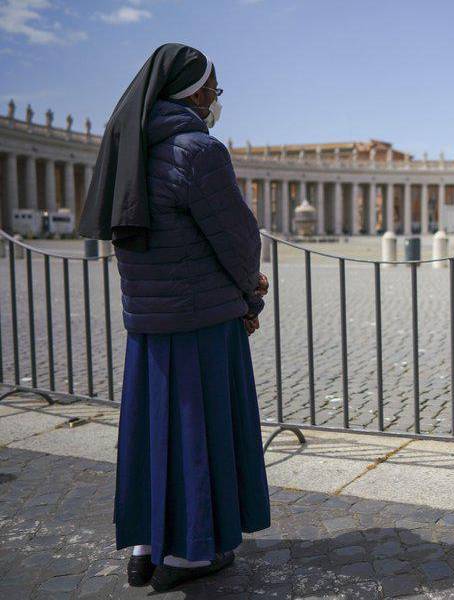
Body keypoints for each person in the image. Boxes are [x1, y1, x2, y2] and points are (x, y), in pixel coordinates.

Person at [78, 44, 271, 592]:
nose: (217, 101)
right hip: (201, 321)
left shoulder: (128, 148)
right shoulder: (198, 150)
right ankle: (189, 556)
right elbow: (238, 242)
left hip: (148, 324)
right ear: (197, 92)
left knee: (152, 434)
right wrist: (251, 299)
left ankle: (144, 547)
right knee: (199, 434)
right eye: (216, 90)